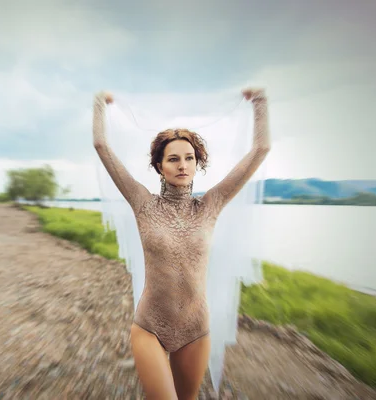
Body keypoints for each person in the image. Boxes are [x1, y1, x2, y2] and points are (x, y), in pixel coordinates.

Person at [92, 88, 270, 400]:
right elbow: (101, 145)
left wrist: (260, 102)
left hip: (196, 331)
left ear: (197, 163)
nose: (182, 165)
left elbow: (260, 149)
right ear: (159, 165)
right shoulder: (142, 203)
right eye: (173, 159)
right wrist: (99, 104)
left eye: (189, 158)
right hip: (150, 328)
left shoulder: (210, 205)